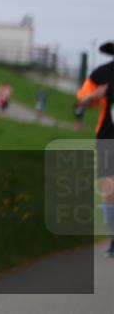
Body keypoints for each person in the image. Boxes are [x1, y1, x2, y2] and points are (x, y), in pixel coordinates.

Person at [74, 41, 114, 258]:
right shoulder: (102, 74)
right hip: (109, 137)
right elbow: (80, 103)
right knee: (109, 189)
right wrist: (93, 96)